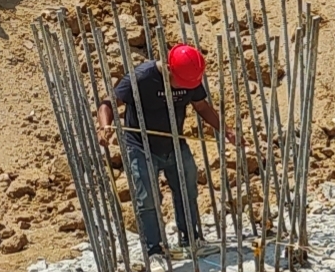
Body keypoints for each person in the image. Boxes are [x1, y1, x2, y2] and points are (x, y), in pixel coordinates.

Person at [94, 44, 237, 260]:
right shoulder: (141, 77)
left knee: (187, 189)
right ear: (169, 68)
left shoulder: (190, 77)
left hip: (174, 143)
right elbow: (108, 103)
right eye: (183, 83)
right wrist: (104, 126)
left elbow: (202, 107)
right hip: (141, 146)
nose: (187, 87)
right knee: (147, 197)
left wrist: (226, 131)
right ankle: (154, 250)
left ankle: (190, 240)